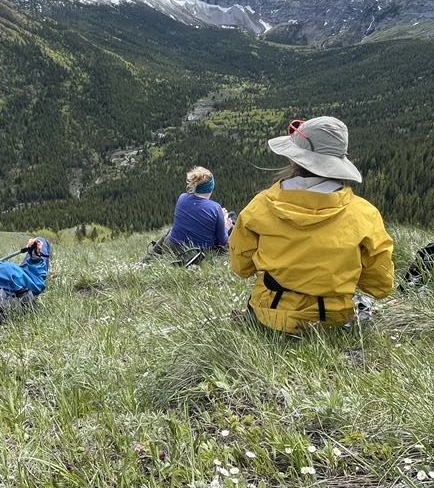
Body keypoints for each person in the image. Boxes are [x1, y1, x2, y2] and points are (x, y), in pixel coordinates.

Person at [228, 117, 394, 332]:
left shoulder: (259, 206)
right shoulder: (364, 214)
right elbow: (380, 286)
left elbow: (241, 268)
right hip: (333, 322)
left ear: (295, 160)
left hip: (270, 316)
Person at [144, 166, 232, 262]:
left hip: (169, 248)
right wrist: (226, 226)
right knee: (231, 217)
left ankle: (146, 260)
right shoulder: (215, 208)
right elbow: (222, 241)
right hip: (194, 255)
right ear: (211, 188)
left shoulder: (182, 197)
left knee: (171, 231)